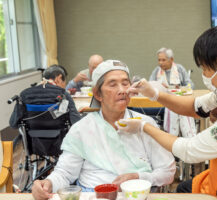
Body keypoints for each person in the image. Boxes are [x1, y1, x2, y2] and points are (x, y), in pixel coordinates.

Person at [118, 26, 217, 197]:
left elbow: (190, 150)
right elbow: (194, 106)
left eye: (204, 68)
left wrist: (144, 127)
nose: (203, 73)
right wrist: (155, 94)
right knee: (184, 188)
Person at [32, 60, 175, 200]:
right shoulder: (82, 129)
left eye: (125, 83)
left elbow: (167, 172)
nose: (122, 90)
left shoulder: (145, 124)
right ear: (98, 94)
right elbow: (65, 173)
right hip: (92, 195)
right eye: (113, 85)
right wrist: (48, 183)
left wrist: (138, 177)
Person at [9, 65, 81, 128]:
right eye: (64, 82)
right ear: (59, 78)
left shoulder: (25, 94)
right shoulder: (63, 94)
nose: (64, 86)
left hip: (33, 140)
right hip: (60, 140)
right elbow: (76, 122)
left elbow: (13, 124)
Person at [149, 47, 196, 138]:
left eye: (163, 60)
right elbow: (150, 86)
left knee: (179, 107)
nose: (160, 63)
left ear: (171, 59)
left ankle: (187, 136)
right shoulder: (156, 71)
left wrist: (180, 88)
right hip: (163, 102)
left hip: (178, 99)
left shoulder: (179, 69)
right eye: (159, 60)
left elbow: (191, 85)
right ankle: (174, 136)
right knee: (175, 107)